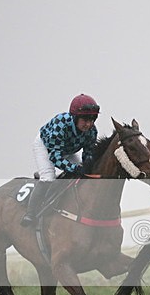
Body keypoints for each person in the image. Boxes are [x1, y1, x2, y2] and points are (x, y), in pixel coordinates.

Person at [21, 93, 100, 226]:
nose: (89, 124)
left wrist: (87, 167)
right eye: (85, 120)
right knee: (48, 177)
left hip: (67, 150)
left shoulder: (92, 131)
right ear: (75, 117)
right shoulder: (60, 124)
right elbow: (55, 157)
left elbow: (88, 155)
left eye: (92, 120)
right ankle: (30, 213)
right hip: (46, 148)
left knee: (83, 175)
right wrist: (75, 168)